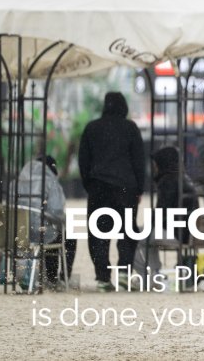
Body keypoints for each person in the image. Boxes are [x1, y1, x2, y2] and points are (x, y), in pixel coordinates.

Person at [78, 92, 145, 291]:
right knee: (127, 231)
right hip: (125, 188)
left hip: (99, 187)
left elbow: (83, 161)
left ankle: (103, 277)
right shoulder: (130, 128)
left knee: (99, 233)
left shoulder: (92, 128)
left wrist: (90, 185)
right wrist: (139, 189)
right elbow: (139, 161)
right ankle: (124, 272)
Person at [133, 147, 199, 282]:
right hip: (187, 234)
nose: (154, 167)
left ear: (163, 162)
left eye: (156, 163)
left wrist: (149, 223)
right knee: (145, 237)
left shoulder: (168, 181)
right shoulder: (186, 179)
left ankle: (150, 276)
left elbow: (161, 212)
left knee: (131, 236)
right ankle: (155, 274)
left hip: (175, 234)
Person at [16, 155, 77, 289]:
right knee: (64, 233)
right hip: (38, 233)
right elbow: (56, 212)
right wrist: (64, 221)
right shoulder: (50, 182)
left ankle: (50, 276)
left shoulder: (20, 181)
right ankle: (57, 278)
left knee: (52, 230)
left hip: (17, 232)